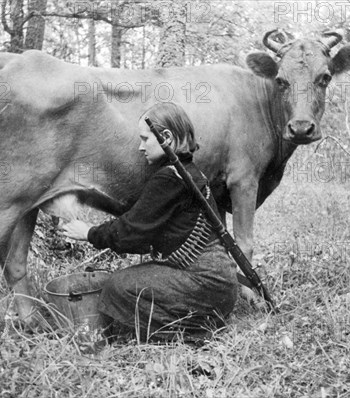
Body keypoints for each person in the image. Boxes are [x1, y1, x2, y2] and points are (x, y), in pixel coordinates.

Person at [60, 102, 237, 342]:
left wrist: (89, 233)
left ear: (166, 137)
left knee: (117, 286)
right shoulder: (187, 172)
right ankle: (199, 318)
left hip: (206, 281)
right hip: (219, 283)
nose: (140, 147)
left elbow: (132, 232)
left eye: (145, 139)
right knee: (131, 280)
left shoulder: (170, 178)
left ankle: (190, 331)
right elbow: (145, 225)